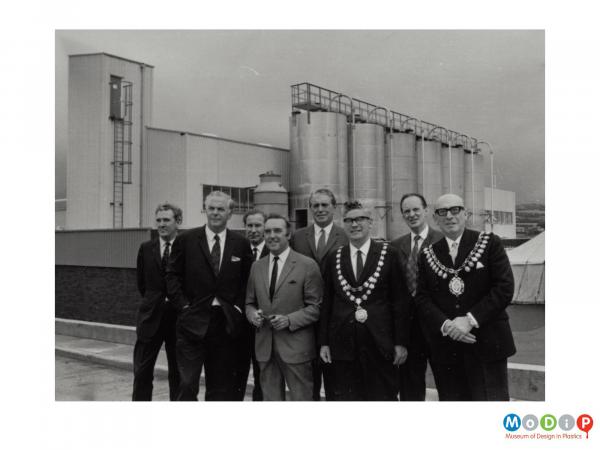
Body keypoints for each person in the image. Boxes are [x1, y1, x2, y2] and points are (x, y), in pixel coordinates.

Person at [415, 193, 516, 401]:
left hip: (487, 344)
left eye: (455, 210)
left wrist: (469, 320)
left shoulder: (488, 243)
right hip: (447, 350)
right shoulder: (428, 254)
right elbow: (422, 298)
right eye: (442, 212)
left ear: (466, 214)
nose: (449, 216)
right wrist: (447, 326)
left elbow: (504, 288)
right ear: (435, 218)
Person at [166, 191, 253, 401]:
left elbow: (246, 282)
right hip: (191, 322)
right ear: (205, 210)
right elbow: (171, 275)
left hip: (224, 325)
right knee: (186, 384)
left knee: (219, 387)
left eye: (220, 209)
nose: (215, 213)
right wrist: (184, 306)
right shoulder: (186, 239)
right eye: (211, 208)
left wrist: (238, 308)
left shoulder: (240, 244)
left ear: (230, 213)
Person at [319, 201, 410, 400]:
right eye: (349, 220)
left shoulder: (389, 254)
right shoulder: (335, 257)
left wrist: (401, 342)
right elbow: (327, 302)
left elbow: (400, 302)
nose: (354, 224)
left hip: (380, 344)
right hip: (343, 346)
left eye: (360, 219)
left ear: (371, 223)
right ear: (344, 225)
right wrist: (324, 342)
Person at [245, 214, 322, 401]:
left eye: (277, 231)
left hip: (296, 349)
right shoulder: (257, 267)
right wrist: (253, 314)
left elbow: (316, 307)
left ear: (288, 235)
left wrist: (289, 320)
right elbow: (249, 303)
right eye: (268, 231)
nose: (272, 235)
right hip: (265, 348)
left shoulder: (307, 265)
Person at [290, 188, 348, 400]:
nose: (320, 209)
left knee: (336, 379)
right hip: (306, 315)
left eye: (325, 205)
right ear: (310, 208)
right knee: (308, 380)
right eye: (316, 205)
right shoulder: (297, 237)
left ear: (334, 207)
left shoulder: (346, 235)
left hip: (336, 316)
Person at [390, 193, 442, 401]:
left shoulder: (441, 240)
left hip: (438, 326)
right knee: (410, 388)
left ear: (426, 211)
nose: (412, 215)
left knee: (447, 383)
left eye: (415, 210)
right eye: (407, 211)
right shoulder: (395, 246)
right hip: (409, 330)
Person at [132, 203, 182, 401]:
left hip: (178, 320)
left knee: (178, 374)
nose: (161, 224)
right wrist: (156, 302)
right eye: (159, 220)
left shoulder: (186, 247)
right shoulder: (146, 248)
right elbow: (142, 284)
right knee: (142, 372)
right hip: (150, 318)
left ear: (178, 222)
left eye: (166, 220)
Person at [238, 209, 269, 401]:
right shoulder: (237, 249)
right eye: (249, 225)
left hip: (265, 325)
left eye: (258, 225)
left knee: (263, 376)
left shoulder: (274, 251)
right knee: (238, 373)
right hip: (240, 325)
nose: (253, 230)